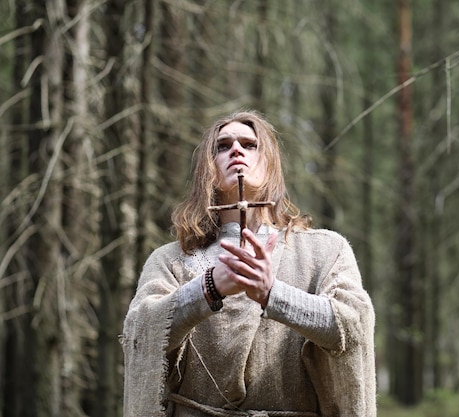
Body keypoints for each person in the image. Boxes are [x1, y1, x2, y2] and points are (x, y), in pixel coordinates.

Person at [121, 110, 376, 417]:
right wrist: (208, 288)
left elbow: (352, 327)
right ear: (208, 167)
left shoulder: (324, 251)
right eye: (223, 146)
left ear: (270, 165)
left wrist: (273, 294)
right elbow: (140, 333)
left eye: (249, 144)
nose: (236, 150)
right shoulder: (172, 260)